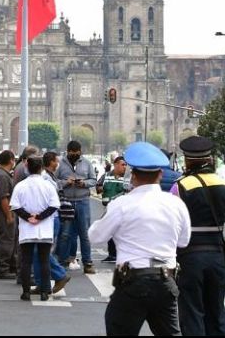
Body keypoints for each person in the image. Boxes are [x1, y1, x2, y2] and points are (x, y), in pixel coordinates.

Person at [89, 142, 191, 336]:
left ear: (133, 176)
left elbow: (95, 236)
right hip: (165, 280)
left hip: (133, 281)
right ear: (160, 175)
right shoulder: (176, 204)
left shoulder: (121, 204)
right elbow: (184, 242)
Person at [172, 136, 225, 336]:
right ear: (209, 159)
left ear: (188, 160)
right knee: (216, 312)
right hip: (217, 256)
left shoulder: (180, 186)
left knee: (192, 313)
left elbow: (173, 222)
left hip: (190, 257)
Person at [11, 156, 61, 302]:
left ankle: (26, 292)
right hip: (44, 228)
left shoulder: (20, 186)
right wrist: (40, 217)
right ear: (41, 168)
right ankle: (44, 292)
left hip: (27, 229)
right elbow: (54, 206)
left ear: (27, 168)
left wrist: (28, 217)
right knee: (44, 260)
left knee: (26, 261)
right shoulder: (48, 185)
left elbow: (15, 206)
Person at [56, 141, 98, 274]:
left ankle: (88, 262)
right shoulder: (60, 164)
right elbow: (54, 182)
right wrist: (65, 182)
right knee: (65, 234)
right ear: (67, 151)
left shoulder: (87, 163)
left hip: (83, 201)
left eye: (77, 152)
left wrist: (84, 183)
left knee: (85, 234)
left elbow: (93, 180)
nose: (74, 154)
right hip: (66, 202)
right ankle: (62, 262)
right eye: (72, 152)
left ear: (80, 151)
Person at [31, 152, 70, 295]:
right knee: (38, 252)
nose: (58, 163)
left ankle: (60, 274)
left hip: (48, 218)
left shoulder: (48, 178)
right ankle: (41, 283)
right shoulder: (45, 178)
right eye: (56, 161)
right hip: (46, 219)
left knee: (41, 251)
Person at [0, 150, 17, 280]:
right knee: (6, 241)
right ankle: (2, 269)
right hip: (4, 213)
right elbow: (3, 198)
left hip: (4, 213)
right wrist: (8, 216)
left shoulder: (2, 174)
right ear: (11, 160)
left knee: (8, 240)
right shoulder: (3, 176)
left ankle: (9, 266)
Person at [98, 156, 127, 263]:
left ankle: (121, 254)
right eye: (122, 164)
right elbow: (98, 187)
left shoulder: (128, 178)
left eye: (125, 165)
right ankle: (112, 254)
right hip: (109, 208)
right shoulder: (105, 176)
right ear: (115, 165)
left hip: (123, 210)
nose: (125, 167)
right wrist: (101, 188)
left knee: (122, 232)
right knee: (110, 231)